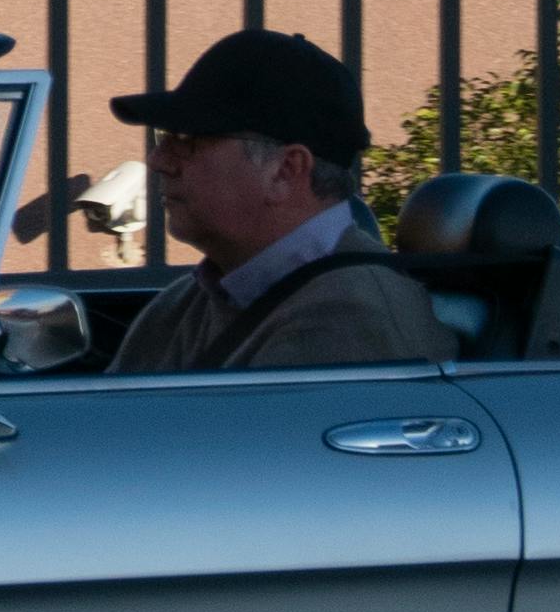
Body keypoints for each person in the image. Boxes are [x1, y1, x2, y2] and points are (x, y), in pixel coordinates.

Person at [104, 31, 449, 372]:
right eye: (165, 136)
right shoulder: (191, 300)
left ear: (285, 171)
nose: (158, 160)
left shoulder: (349, 322)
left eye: (188, 140)